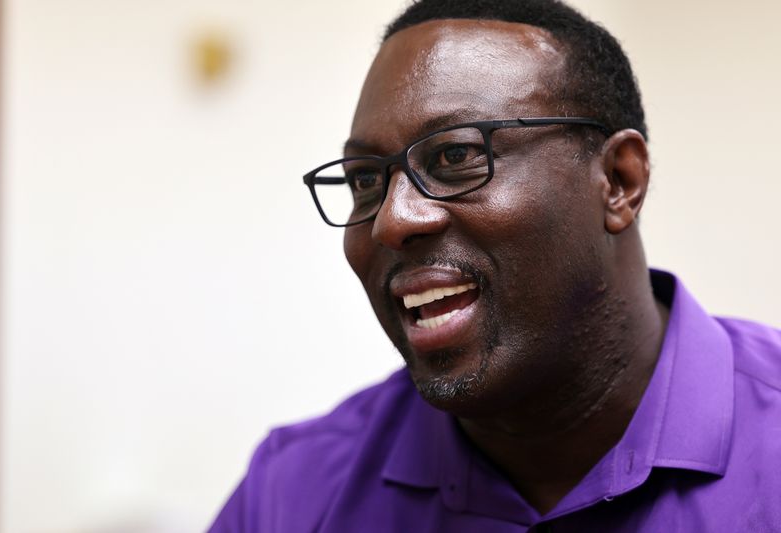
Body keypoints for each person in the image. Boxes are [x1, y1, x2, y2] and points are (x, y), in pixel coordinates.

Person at [210, 0, 781, 531]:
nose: (391, 219)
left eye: (455, 156)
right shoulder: (290, 495)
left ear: (619, 181)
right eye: (365, 180)